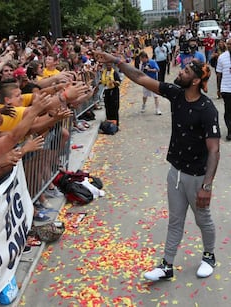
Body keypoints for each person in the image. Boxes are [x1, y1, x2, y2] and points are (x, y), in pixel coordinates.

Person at [94, 51, 220, 281]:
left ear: (195, 81)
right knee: (175, 220)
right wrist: (116, 61)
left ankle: (209, 256)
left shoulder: (207, 109)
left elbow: (214, 150)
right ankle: (167, 265)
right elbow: (141, 77)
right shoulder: (177, 94)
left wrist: (207, 186)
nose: (179, 71)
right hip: (176, 173)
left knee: (203, 219)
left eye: (185, 71)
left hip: (197, 177)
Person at [215, 38, 231, 141]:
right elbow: (218, 74)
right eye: (229, 44)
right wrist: (218, 88)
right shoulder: (222, 57)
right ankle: (230, 131)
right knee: (228, 111)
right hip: (226, 88)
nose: (230, 46)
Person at [138, 51, 161, 115]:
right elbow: (141, 72)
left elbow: (158, 70)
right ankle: (143, 105)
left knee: (156, 96)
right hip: (146, 82)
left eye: (141, 59)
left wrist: (149, 69)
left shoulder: (152, 62)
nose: (141, 60)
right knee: (145, 96)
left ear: (145, 57)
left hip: (153, 81)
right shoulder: (142, 64)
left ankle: (157, 109)